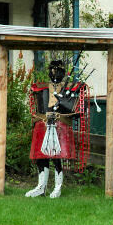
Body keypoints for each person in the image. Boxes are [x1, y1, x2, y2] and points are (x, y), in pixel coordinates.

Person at [25, 60, 76, 198]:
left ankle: (57, 187)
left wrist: (62, 102)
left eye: (57, 70)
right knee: (41, 156)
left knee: (56, 156)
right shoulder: (41, 87)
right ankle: (41, 187)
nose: (54, 73)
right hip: (42, 123)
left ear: (63, 72)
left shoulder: (70, 89)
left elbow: (75, 109)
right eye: (52, 70)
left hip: (59, 125)